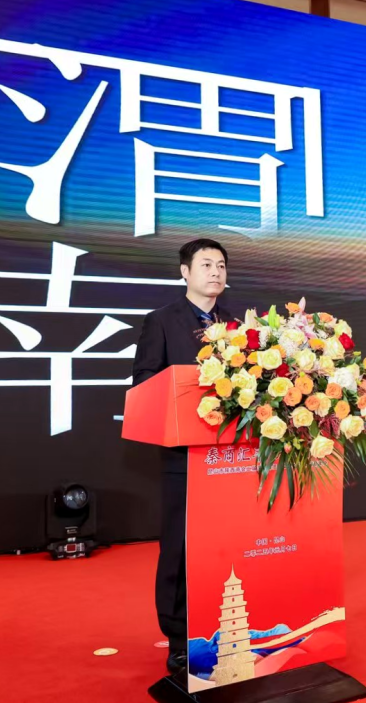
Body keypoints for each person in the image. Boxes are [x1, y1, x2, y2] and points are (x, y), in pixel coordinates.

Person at [132, 238, 235, 676]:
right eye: (206, 264)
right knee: (180, 548)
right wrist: (195, 388)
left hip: (233, 458)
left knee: (227, 547)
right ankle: (179, 639)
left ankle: (225, 630)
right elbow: (144, 382)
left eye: (221, 265)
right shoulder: (161, 321)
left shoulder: (239, 327)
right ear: (185, 273)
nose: (215, 272)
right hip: (185, 453)